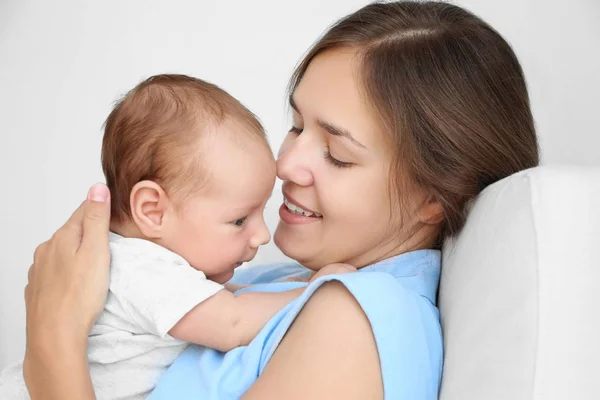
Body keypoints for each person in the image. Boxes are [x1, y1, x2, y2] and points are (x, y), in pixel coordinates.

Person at [20, 1, 540, 399]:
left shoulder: (355, 317)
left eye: (336, 153)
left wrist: (53, 347)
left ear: (433, 197)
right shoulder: (270, 279)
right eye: (295, 126)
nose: (286, 164)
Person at [0, 74, 356, 400]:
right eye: (238, 220)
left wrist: (287, 285)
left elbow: (224, 299)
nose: (261, 235)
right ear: (153, 210)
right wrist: (314, 290)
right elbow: (231, 321)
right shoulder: (141, 270)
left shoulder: (144, 267)